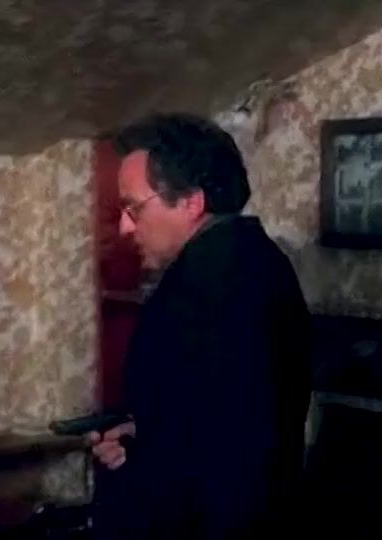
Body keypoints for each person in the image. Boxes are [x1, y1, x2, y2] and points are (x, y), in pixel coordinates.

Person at [88, 113, 313, 539]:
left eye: (134, 208)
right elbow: (214, 410)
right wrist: (144, 432)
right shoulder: (261, 259)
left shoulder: (200, 288)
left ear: (192, 202)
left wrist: (141, 455)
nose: (125, 226)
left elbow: (223, 446)